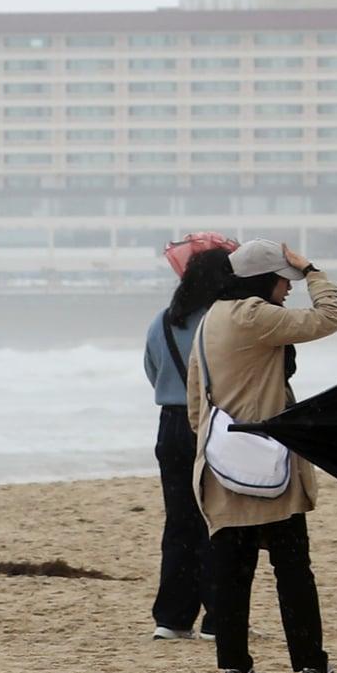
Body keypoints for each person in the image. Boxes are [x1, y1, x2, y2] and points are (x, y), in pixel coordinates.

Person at [186, 239, 337, 673]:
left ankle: (236, 671)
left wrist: (214, 446)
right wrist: (314, 268)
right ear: (263, 279)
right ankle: (313, 670)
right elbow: (331, 317)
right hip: (268, 463)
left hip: (220, 464)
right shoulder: (254, 316)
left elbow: (196, 400)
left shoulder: (210, 320)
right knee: (293, 569)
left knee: (232, 572)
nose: (288, 289)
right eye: (285, 279)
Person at [143, 243, 232, 642]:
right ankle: (218, 616)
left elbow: (152, 370)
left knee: (179, 521)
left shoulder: (162, 321)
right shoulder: (222, 321)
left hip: (171, 425)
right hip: (215, 422)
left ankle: (173, 618)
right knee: (218, 519)